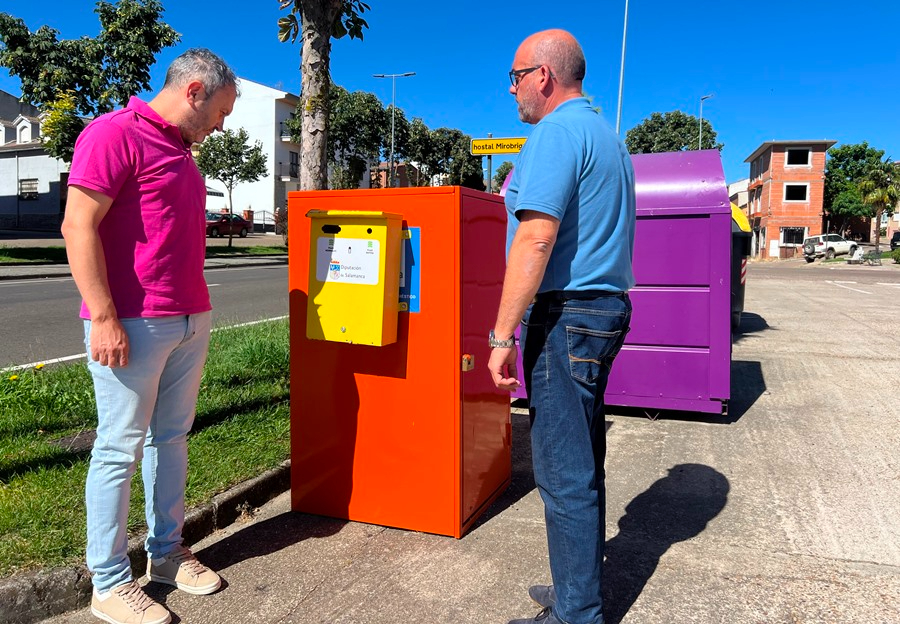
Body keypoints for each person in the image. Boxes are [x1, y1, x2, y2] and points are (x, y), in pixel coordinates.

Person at [61, 48, 238, 624]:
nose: (221, 124)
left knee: (172, 439)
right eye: (219, 111)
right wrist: (104, 315)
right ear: (193, 91)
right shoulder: (114, 134)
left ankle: (166, 554)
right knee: (118, 449)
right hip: (132, 323)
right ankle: (109, 582)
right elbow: (77, 224)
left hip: (190, 318)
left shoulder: (184, 153)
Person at [487, 30, 636, 624]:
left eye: (516, 76)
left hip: (568, 314)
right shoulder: (606, 135)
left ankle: (577, 615)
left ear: (543, 76)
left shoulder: (555, 132)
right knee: (583, 460)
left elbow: (537, 235)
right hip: (603, 310)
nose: (513, 88)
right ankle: (576, 590)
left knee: (561, 470)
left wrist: (503, 335)